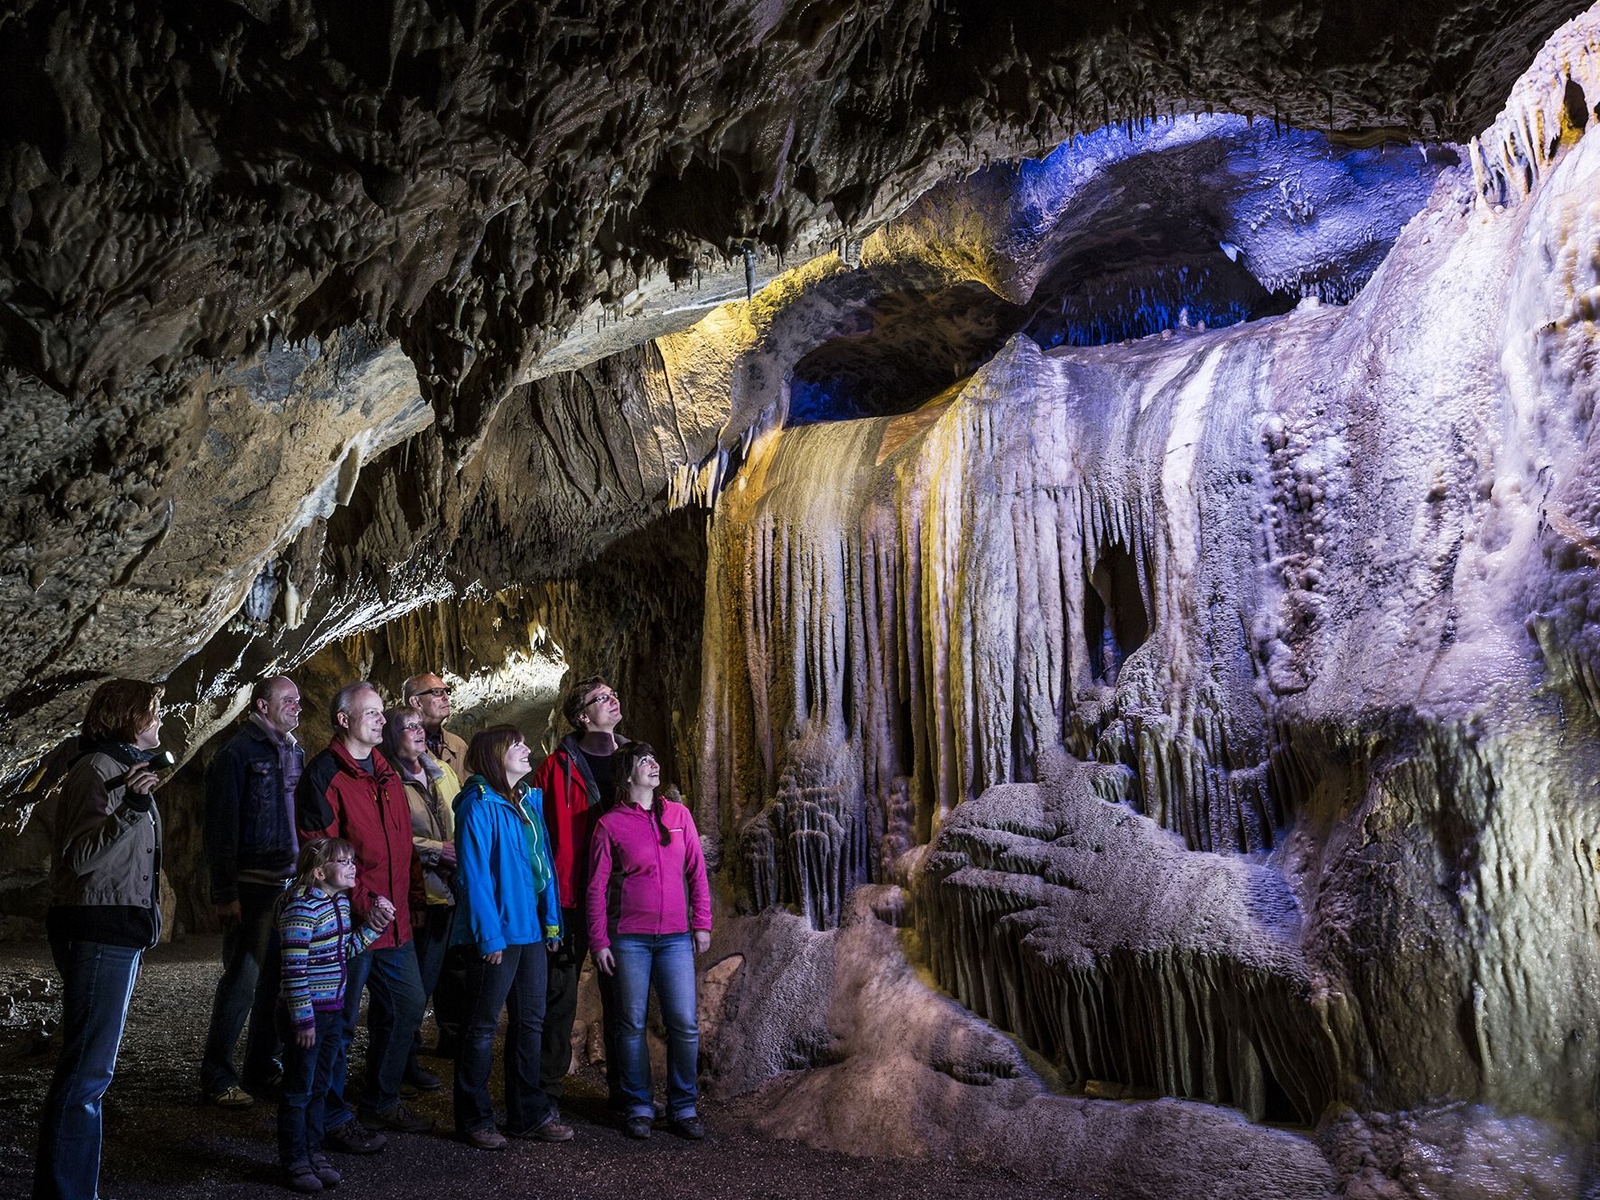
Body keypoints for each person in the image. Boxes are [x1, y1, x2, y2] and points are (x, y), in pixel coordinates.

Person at [33, 679, 168, 1200]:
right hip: (96, 929)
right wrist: (131, 806)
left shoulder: (123, 769)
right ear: (127, 717)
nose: (161, 718)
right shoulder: (95, 770)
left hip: (117, 929)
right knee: (86, 1074)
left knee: (92, 1071)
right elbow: (79, 857)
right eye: (153, 711)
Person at [296, 682, 429, 1153]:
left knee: (408, 1005)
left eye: (380, 712)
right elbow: (322, 854)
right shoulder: (324, 775)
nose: (380, 719)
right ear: (343, 719)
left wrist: (412, 899)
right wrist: (365, 906)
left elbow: (403, 845)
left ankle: (380, 1099)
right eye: (370, 712)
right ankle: (330, 1117)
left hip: (393, 920)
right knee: (340, 1024)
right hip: (348, 923)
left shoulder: (387, 772)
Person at [451, 725, 570, 1150]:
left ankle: (527, 1113)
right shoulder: (478, 805)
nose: (526, 749)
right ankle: (474, 1118)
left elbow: (544, 866)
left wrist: (552, 922)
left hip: (530, 929)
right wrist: (488, 937)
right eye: (515, 744)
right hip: (499, 932)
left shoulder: (526, 802)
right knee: (482, 1026)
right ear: (492, 755)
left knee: (531, 1022)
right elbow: (474, 876)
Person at [588, 742, 712, 1141]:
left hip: (675, 937)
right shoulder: (610, 825)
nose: (654, 764)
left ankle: (683, 1106)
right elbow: (596, 888)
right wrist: (599, 940)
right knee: (630, 1024)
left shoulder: (678, 816)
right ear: (627, 774)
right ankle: (639, 1105)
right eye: (644, 761)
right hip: (629, 940)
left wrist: (702, 922)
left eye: (654, 758)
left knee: (684, 1023)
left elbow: (696, 872)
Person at [200, 675, 304, 1108]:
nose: (297, 706)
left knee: (276, 982)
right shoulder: (236, 754)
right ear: (262, 705)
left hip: (287, 883)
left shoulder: (295, 750)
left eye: (298, 700)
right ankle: (217, 1076)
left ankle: (262, 1065)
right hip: (253, 885)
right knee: (242, 981)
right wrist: (226, 893)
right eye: (288, 700)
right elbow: (220, 827)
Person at [275, 838, 395, 1193]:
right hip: (307, 1017)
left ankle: (313, 1152)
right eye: (343, 861)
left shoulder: (339, 903)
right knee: (298, 1090)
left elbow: (346, 951)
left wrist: (374, 926)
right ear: (318, 872)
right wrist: (303, 1020)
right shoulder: (302, 909)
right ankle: (295, 1160)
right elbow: (293, 969)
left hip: (330, 1010)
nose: (352, 866)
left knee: (319, 1087)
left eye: (352, 859)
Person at [534, 675, 627, 1108]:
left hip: (619, 897)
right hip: (570, 896)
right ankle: (545, 1094)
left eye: (612, 694)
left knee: (622, 1000)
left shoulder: (633, 758)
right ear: (582, 716)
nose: (612, 700)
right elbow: (539, 836)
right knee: (559, 996)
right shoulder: (555, 769)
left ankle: (627, 1095)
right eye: (600, 698)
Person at [380, 706, 461, 1090]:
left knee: (426, 983)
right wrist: (435, 850)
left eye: (418, 725)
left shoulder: (442, 772)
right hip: (414, 895)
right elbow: (387, 835)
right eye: (407, 727)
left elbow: (459, 819)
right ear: (389, 736)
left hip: (447, 892)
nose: (418, 731)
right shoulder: (386, 779)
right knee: (408, 990)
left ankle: (405, 1060)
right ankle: (396, 1066)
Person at [403, 673, 466, 780]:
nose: (446, 697)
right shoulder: (400, 748)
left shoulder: (459, 746)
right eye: (437, 692)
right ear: (416, 702)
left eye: (446, 691)